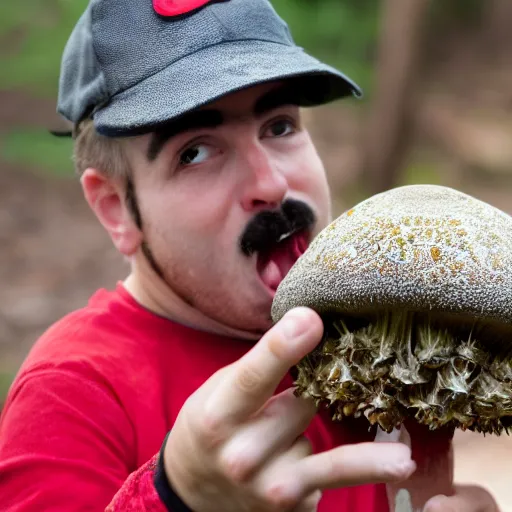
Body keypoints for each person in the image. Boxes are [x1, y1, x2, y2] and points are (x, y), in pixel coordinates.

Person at [0, 0, 499, 511]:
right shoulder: (70, 397)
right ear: (116, 209)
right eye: (194, 152)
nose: (272, 184)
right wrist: (178, 496)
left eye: (280, 126)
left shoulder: (385, 332)